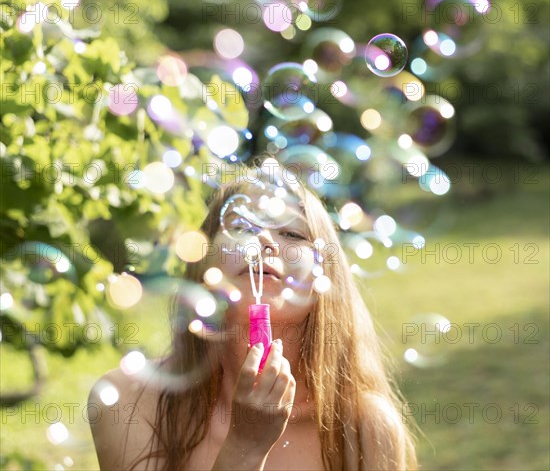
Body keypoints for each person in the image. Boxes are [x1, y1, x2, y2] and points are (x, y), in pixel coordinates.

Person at [89, 158, 418, 470]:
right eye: (241, 227)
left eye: (292, 233)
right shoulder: (127, 402)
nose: (263, 240)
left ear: (327, 276)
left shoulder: (364, 428)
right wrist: (245, 445)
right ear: (205, 261)